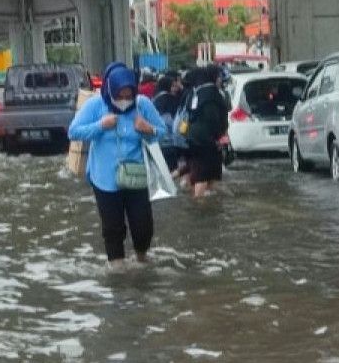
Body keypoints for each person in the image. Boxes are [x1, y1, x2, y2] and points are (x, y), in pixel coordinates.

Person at [68, 62, 168, 269]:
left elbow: (163, 132)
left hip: (136, 176)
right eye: (119, 96)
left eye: (128, 95)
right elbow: (73, 132)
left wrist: (148, 129)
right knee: (112, 227)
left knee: (143, 225)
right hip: (104, 178)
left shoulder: (142, 105)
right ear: (110, 90)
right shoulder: (95, 105)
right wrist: (100, 126)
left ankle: (141, 258)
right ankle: (117, 268)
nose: (124, 100)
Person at [184, 66, 229, 198]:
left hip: (193, 137)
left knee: (201, 171)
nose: (220, 79)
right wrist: (219, 138)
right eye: (219, 76)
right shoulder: (212, 94)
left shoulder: (195, 92)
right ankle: (199, 202)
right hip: (207, 139)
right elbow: (213, 118)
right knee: (205, 174)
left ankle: (201, 199)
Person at [152, 75, 182, 172]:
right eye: (172, 86)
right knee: (171, 170)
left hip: (156, 140)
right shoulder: (169, 99)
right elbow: (171, 122)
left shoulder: (155, 98)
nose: (175, 89)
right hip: (169, 140)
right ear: (167, 86)